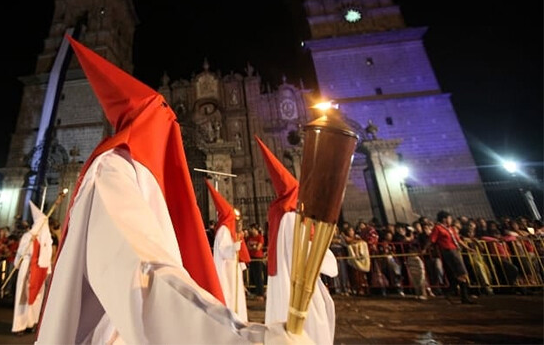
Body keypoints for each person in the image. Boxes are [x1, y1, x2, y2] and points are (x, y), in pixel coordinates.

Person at [36, 37, 309, 344]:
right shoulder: (112, 169)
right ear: (150, 119)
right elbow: (141, 272)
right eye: (167, 112)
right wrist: (236, 338)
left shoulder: (133, 171)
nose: (177, 123)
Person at [256, 135, 337, 345]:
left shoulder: (280, 215)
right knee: (312, 322)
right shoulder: (291, 217)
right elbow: (305, 250)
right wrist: (326, 250)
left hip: (283, 278)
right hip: (299, 284)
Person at [205, 179, 247, 320]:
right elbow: (224, 250)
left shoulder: (228, 230)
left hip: (231, 268)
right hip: (226, 270)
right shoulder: (223, 230)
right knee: (228, 293)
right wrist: (234, 247)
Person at [12, 201, 53, 335]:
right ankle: (19, 325)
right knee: (24, 297)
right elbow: (20, 254)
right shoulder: (28, 236)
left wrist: (47, 270)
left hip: (39, 269)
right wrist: (29, 244)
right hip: (28, 268)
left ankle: (31, 322)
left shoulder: (46, 239)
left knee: (36, 298)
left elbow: (47, 254)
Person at [423, 210, 475, 304]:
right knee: (461, 273)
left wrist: (468, 248)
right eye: (449, 218)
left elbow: (458, 240)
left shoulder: (451, 228)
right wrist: (425, 249)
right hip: (448, 252)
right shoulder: (438, 228)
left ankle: (453, 293)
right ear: (444, 219)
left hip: (455, 251)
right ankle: (461, 296)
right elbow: (432, 240)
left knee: (460, 274)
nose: (451, 220)